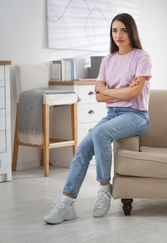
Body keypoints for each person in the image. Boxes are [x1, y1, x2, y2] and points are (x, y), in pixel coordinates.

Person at [44, 13, 152, 224]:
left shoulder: (142, 57)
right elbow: (99, 96)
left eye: (123, 30)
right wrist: (120, 90)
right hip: (113, 115)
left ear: (132, 31)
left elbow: (134, 94)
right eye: (114, 30)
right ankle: (66, 204)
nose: (118, 35)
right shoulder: (107, 60)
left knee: (101, 132)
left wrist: (110, 90)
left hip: (137, 115)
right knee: (83, 148)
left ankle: (104, 189)